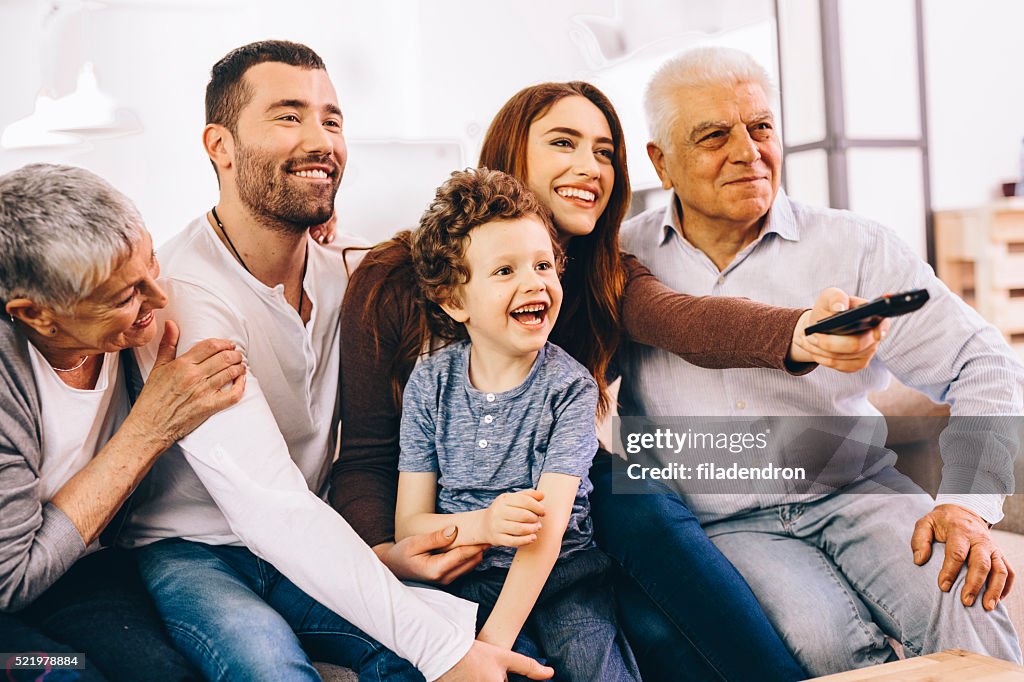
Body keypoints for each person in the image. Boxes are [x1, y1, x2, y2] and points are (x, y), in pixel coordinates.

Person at [332, 80, 885, 682]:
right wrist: (388, 552)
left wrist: (801, 330)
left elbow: (689, 321)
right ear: (512, 152)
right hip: (451, 501)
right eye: (564, 143)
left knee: (641, 504)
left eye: (603, 152)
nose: (589, 167)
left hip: (562, 487)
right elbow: (364, 455)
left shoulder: (600, 276)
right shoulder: (393, 280)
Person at [117, 40, 552, 682]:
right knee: (271, 668)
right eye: (288, 116)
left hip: (317, 528)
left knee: (486, 653)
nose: (321, 140)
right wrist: (441, 649)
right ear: (220, 146)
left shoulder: (349, 269)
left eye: (332, 119)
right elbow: (269, 504)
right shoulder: (186, 297)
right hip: (196, 549)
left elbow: (475, 275)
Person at [617, 45, 1024, 677]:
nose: (748, 151)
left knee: (964, 593)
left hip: (860, 491)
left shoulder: (854, 244)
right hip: (725, 523)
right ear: (661, 162)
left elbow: (984, 359)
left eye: (761, 127)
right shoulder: (621, 259)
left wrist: (969, 503)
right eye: (714, 136)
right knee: (826, 645)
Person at [0, 163, 247, 681]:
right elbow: (11, 581)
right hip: (8, 597)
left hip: (85, 572)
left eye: (150, 261)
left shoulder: (128, 305)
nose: (158, 298)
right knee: (62, 674)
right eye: (124, 297)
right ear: (36, 315)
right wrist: (148, 428)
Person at [395, 168, 640, 681]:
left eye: (543, 265)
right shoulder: (429, 382)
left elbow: (544, 535)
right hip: (463, 583)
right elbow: (409, 527)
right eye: (504, 271)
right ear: (453, 300)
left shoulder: (570, 388)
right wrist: (484, 525)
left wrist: (490, 646)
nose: (534, 282)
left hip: (560, 576)